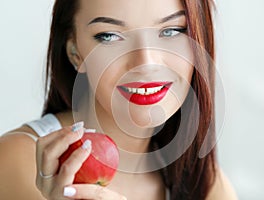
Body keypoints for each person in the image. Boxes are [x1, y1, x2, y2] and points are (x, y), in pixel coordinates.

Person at [0, 0, 238, 199]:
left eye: (171, 31)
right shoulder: (19, 163)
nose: (146, 63)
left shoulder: (208, 185)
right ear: (75, 52)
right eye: (110, 36)